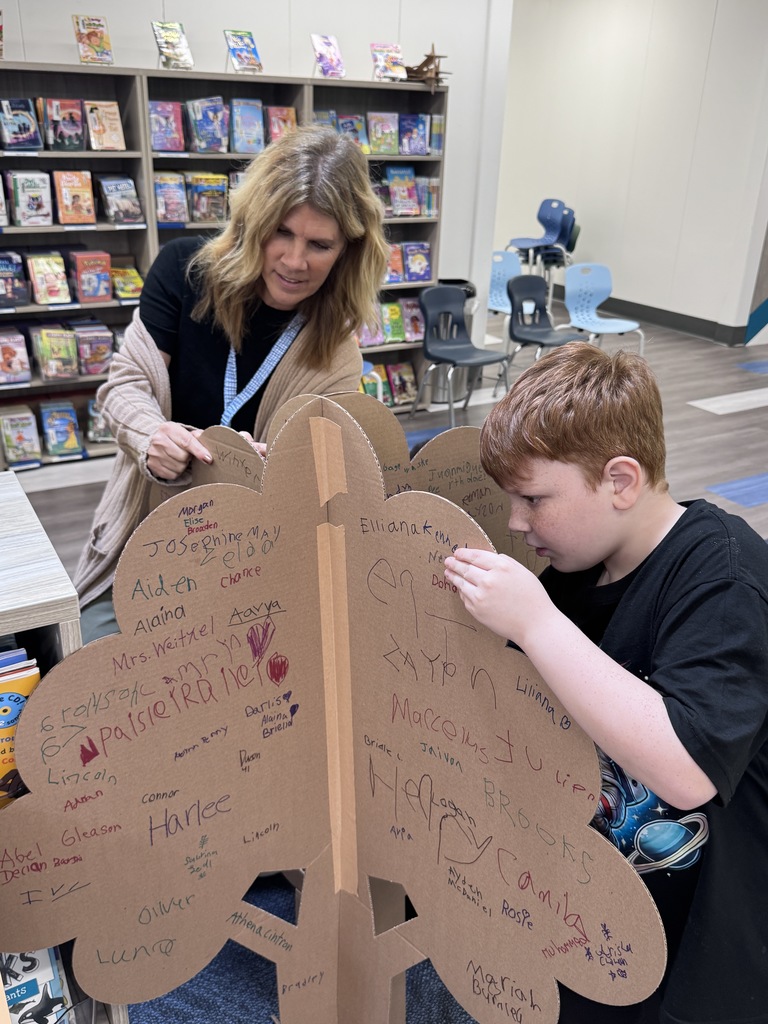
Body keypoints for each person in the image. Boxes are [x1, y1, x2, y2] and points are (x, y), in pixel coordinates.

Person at [444, 342, 768, 1024]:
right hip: (596, 913)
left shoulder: (725, 577)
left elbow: (687, 770)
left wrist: (536, 624)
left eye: (534, 498)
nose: (517, 523)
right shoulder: (578, 570)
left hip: (703, 948)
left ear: (620, 481)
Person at [74, 124, 389, 643]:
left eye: (319, 244)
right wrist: (152, 434)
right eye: (281, 233)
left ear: (348, 251)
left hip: (254, 564)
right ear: (253, 222)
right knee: (97, 661)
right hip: (142, 538)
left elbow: (321, 477)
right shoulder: (183, 272)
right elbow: (124, 385)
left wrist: (266, 471)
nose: (294, 261)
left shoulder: (335, 348)